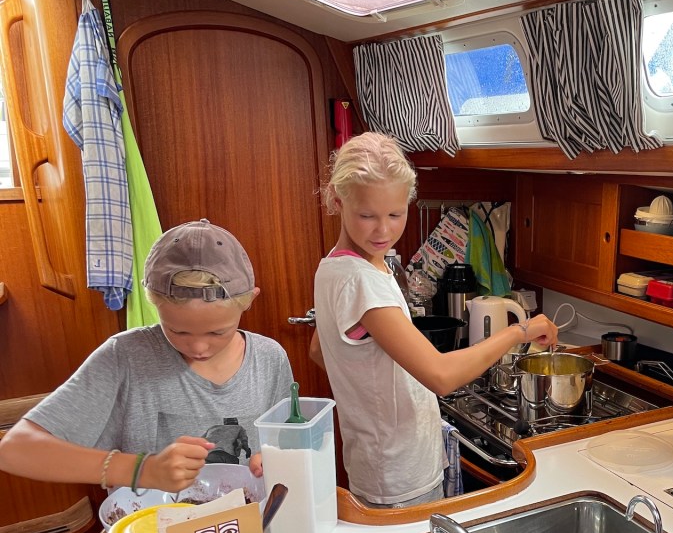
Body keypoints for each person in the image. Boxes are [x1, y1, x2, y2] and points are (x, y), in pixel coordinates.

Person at [312, 132, 558, 508]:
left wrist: (371, 390)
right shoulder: (360, 280)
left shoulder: (335, 266)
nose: (383, 230)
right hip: (400, 474)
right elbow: (441, 376)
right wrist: (519, 330)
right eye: (367, 216)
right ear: (336, 200)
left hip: (378, 461)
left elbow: (320, 350)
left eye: (395, 214)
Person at [0, 220, 294, 494]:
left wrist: (276, 459)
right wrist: (141, 470)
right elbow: (15, 450)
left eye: (218, 332)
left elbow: (288, 443)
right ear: (153, 303)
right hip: (151, 527)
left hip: (248, 522)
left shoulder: (269, 358)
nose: (199, 348)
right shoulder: (125, 357)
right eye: (177, 331)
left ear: (250, 300)